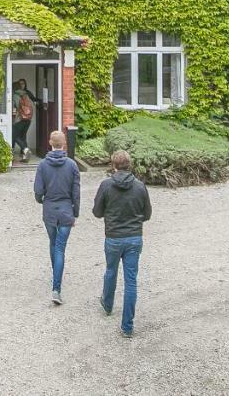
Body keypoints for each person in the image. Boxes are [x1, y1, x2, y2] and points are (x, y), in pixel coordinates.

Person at [92, 149, 152, 337]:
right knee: (131, 281)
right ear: (129, 164)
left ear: (114, 165)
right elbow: (147, 214)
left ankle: (108, 304)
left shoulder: (106, 185)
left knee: (111, 270)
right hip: (134, 237)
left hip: (114, 237)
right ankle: (127, 326)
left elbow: (97, 212)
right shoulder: (140, 186)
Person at [33, 130, 80, 305]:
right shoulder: (72, 165)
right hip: (66, 210)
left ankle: (56, 279)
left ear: (50, 143)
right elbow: (76, 193)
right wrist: (75, 212)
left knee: (53, 244)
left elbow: (38, 191)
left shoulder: (43, 165)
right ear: (64, 144)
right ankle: (56, 287)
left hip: (50, 210)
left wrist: (41, 200)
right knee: (60, 247)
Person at [11, 78, 37, 161]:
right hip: (28, 119)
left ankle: (25, 150)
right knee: (22, 137)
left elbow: (14, 107)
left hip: (20, 119)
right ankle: (25, 157)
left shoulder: (15, 95)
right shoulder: (26, 94)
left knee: (14, 135)